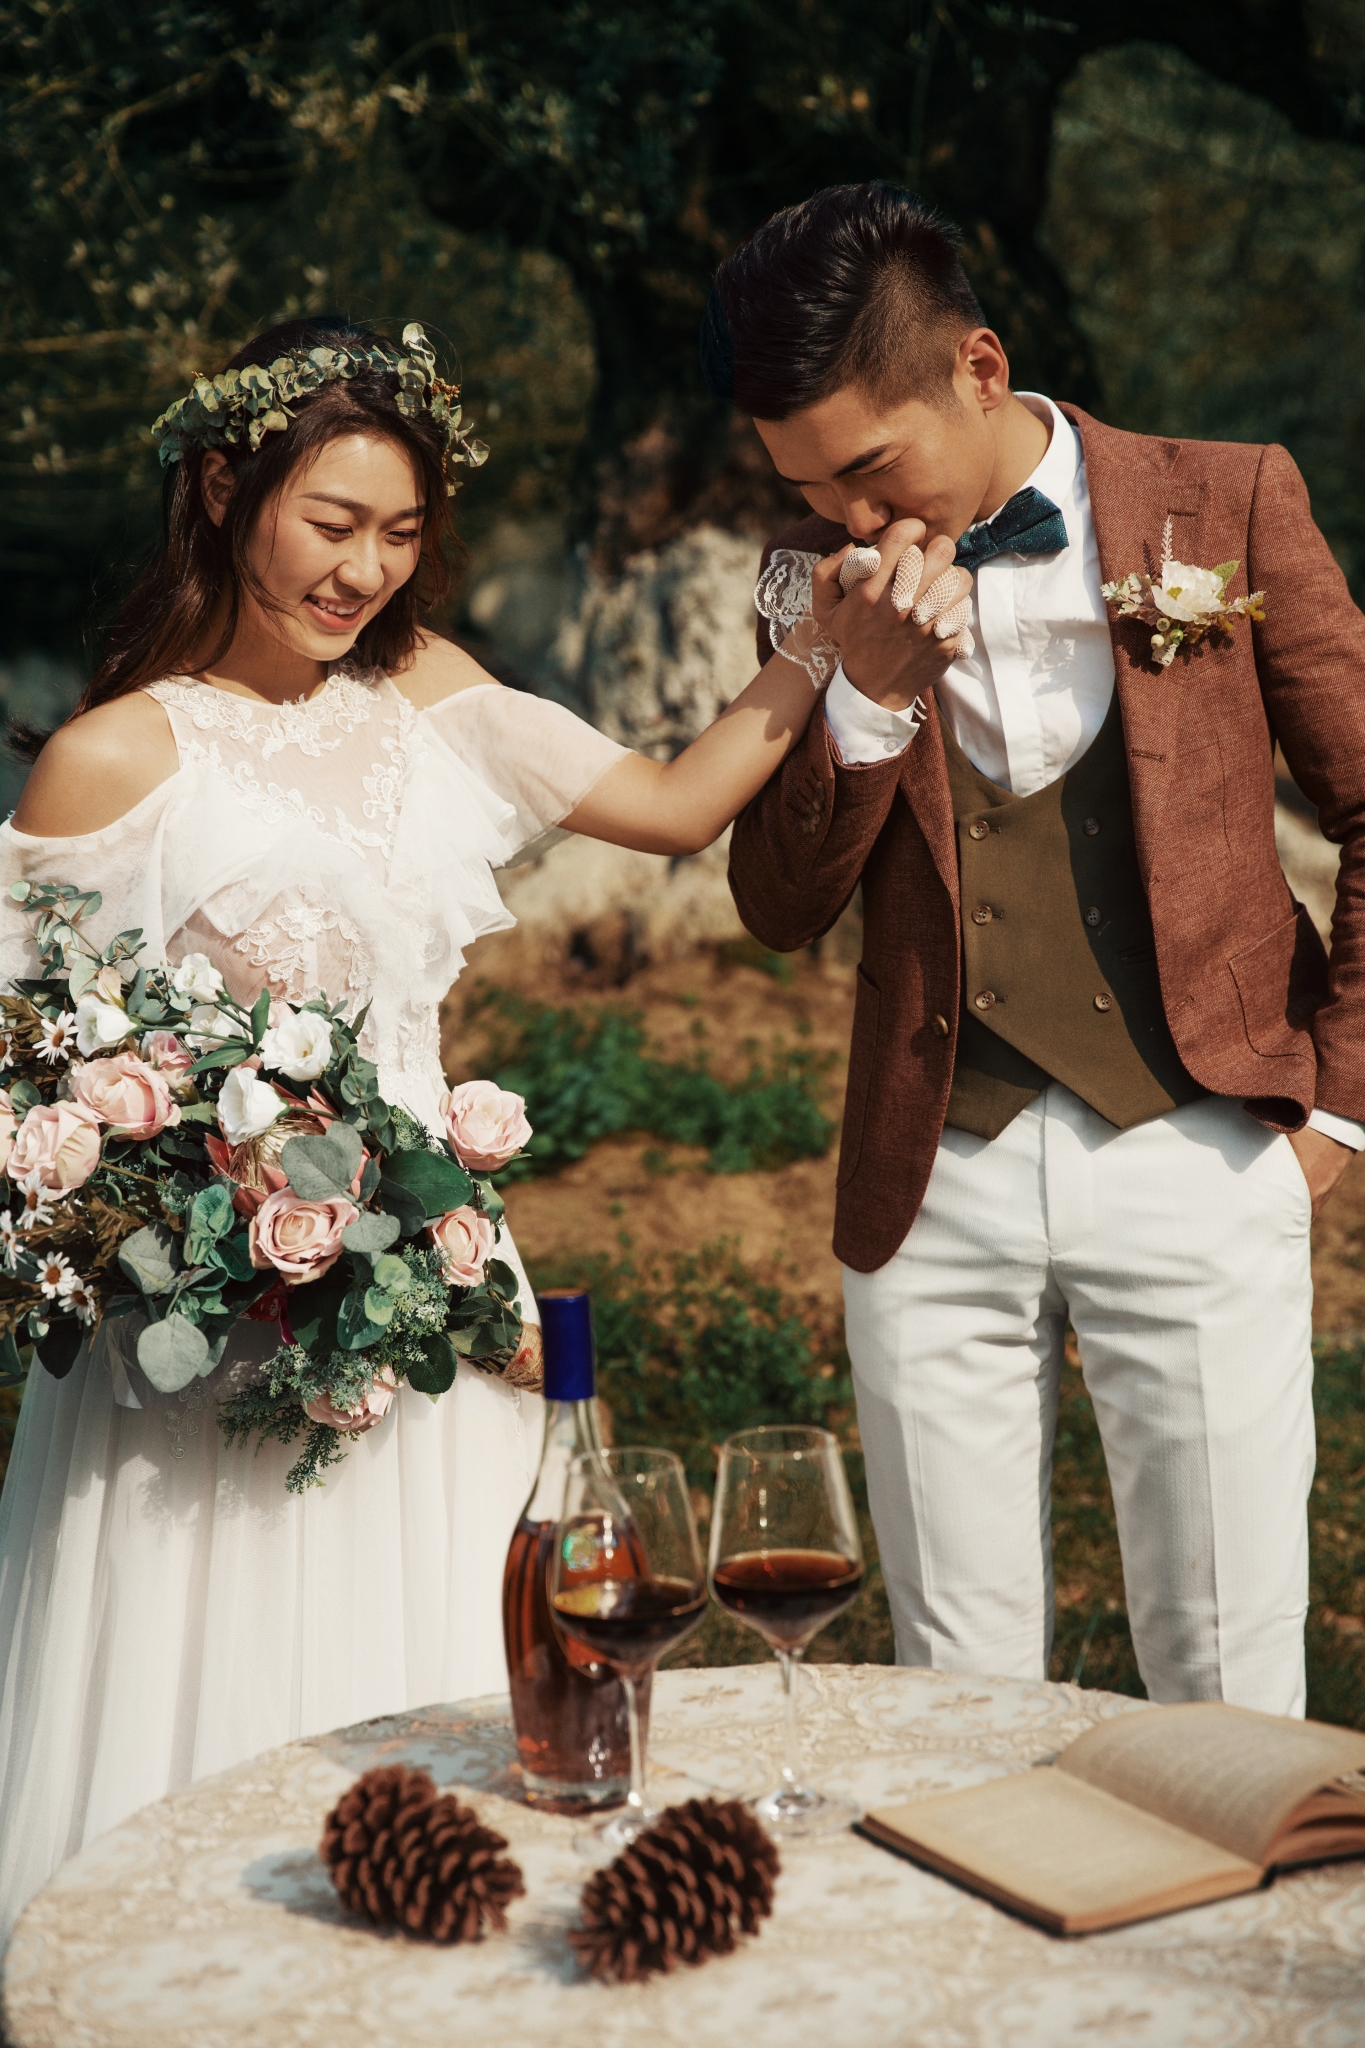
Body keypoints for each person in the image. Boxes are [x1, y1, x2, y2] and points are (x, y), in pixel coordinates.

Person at [0, 315, 917, 1941]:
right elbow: (31, 1087)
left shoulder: (428, 694)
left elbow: (670, 807)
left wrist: (825, 648)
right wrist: (196, 1217)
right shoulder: (112, 759)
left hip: (443, 1312)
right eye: (332, 523)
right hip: (207, 1363)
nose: (365, 570)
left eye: (402, 531)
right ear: (221, 489)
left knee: (464, 1713)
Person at [713, 182, 1365, 1721]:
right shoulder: (805, 578)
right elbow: (779, 902)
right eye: (806, 486)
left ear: (980, 369)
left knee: (1226, 1688)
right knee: (953, 1696)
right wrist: (864, 695)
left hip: (1202, 1142)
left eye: (868, 468)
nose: (847, 518)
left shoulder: (1225, 502)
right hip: (933, 1173)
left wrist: (1335, 1114)